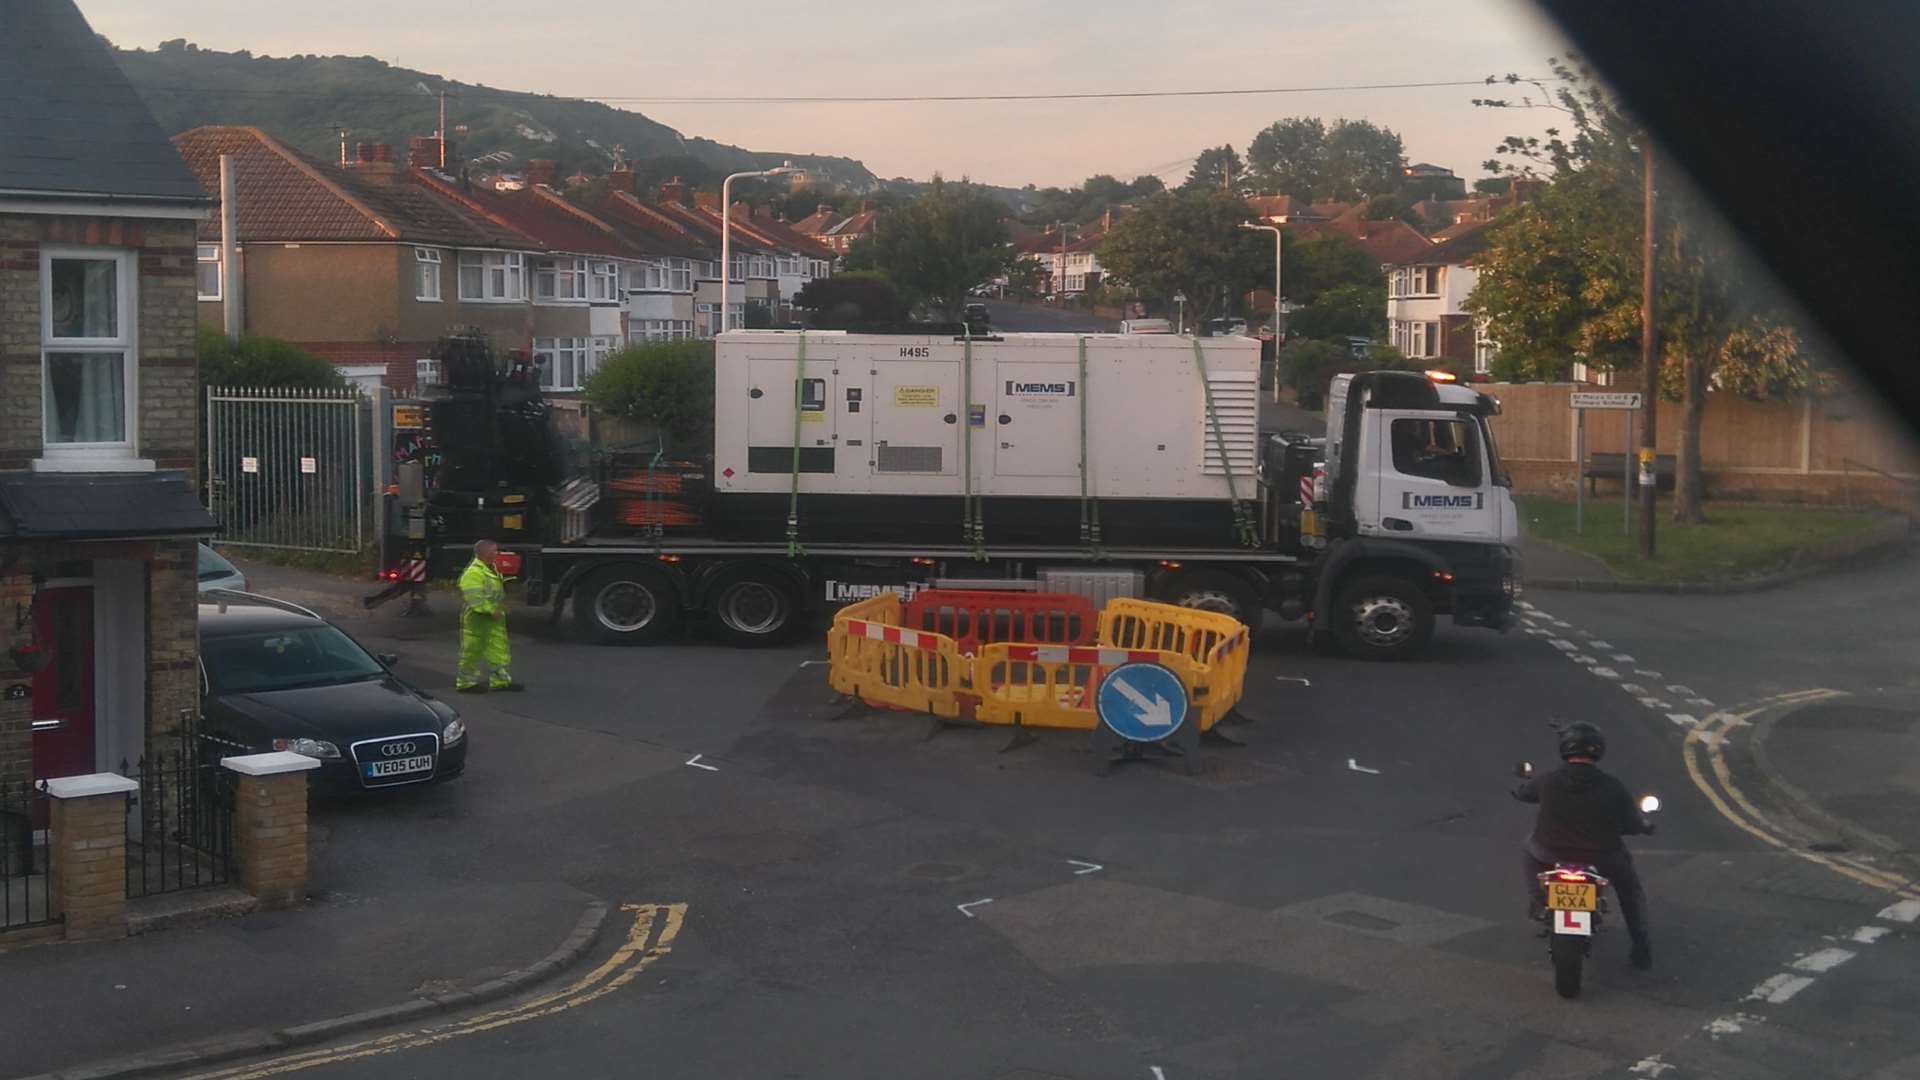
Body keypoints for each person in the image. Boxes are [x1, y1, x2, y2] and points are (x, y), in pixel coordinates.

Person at [1513, 721, 1654, 969]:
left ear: (1565, 749)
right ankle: (1640, 943)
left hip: (1549, 851)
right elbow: (1631, 822)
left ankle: (1538, 901)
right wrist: (1643, 826)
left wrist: (1521, 789)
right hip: (1603, 857)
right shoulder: (1613, 786)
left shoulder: (1548, 780)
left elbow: (1525, 793)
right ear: (1598, 749)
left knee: (1528, 850)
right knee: (1629, 888)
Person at [456, 539, 522, 693]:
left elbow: (492, 593)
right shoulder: (473, 573)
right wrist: (492, 610)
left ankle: (500, 682)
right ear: (484, 553)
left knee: (498, 651)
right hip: (477, 621)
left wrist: (500, 607)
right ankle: (466, 684)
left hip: (493, 619)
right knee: (472, 652)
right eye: (494, 551)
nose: (497, 553)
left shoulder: (491, 569)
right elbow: (475, 599)